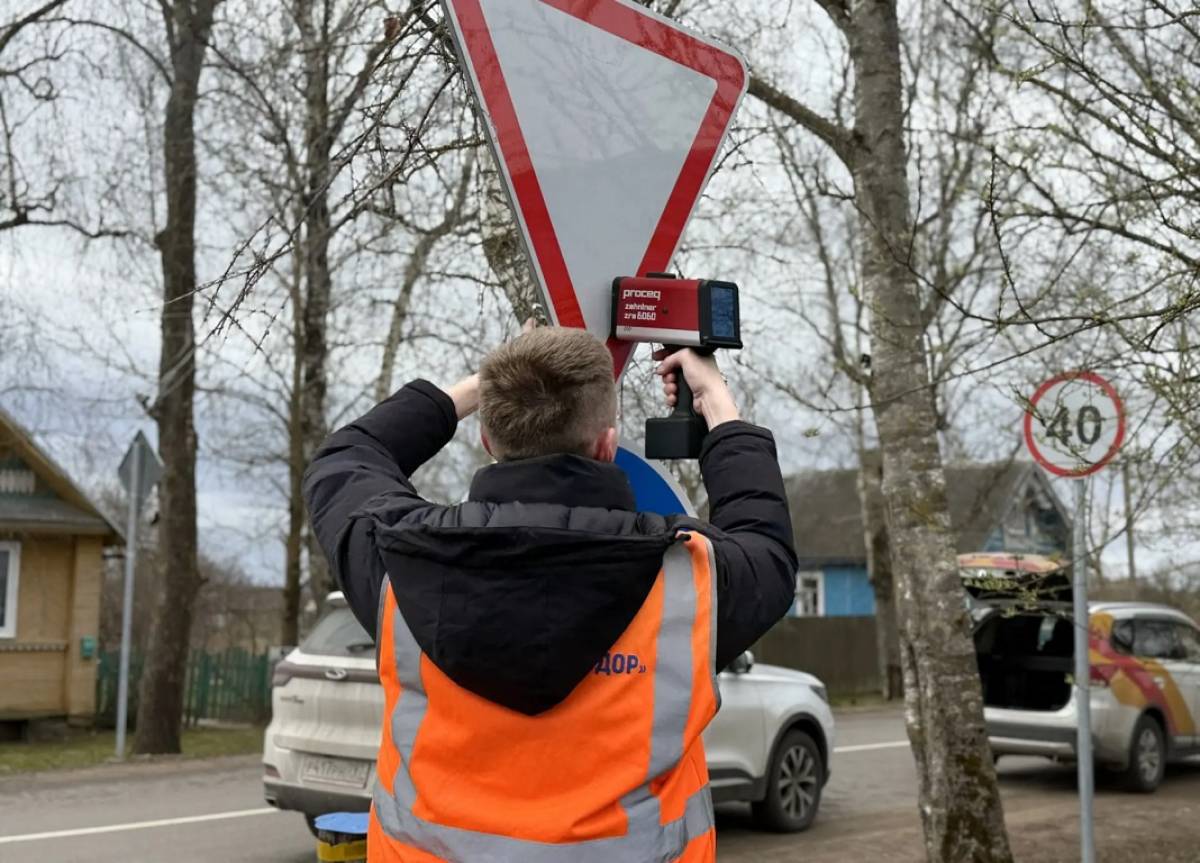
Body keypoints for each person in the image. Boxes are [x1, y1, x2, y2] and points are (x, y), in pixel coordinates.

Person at [304, 325, 796, 863]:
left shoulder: (398, 561)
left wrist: (484, 384)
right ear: (608, 446)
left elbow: (349, 454)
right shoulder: (689, 578)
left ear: (488, 441)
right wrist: (713, 398)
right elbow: (762, 536)